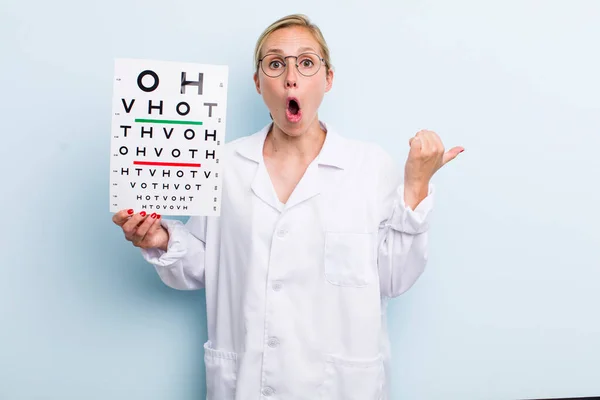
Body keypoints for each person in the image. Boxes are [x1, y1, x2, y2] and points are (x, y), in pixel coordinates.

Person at [112, 13, 463, 400]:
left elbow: (395, 277)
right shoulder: (225, 165)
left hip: (342, 387)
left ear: (328, 79)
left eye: (307, 63)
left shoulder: (369, 166)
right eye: (275, 64)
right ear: (258, 82)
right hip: (246, 383)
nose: (291, 77)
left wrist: (416, 185)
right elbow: (202, 267)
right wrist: (160, 238)